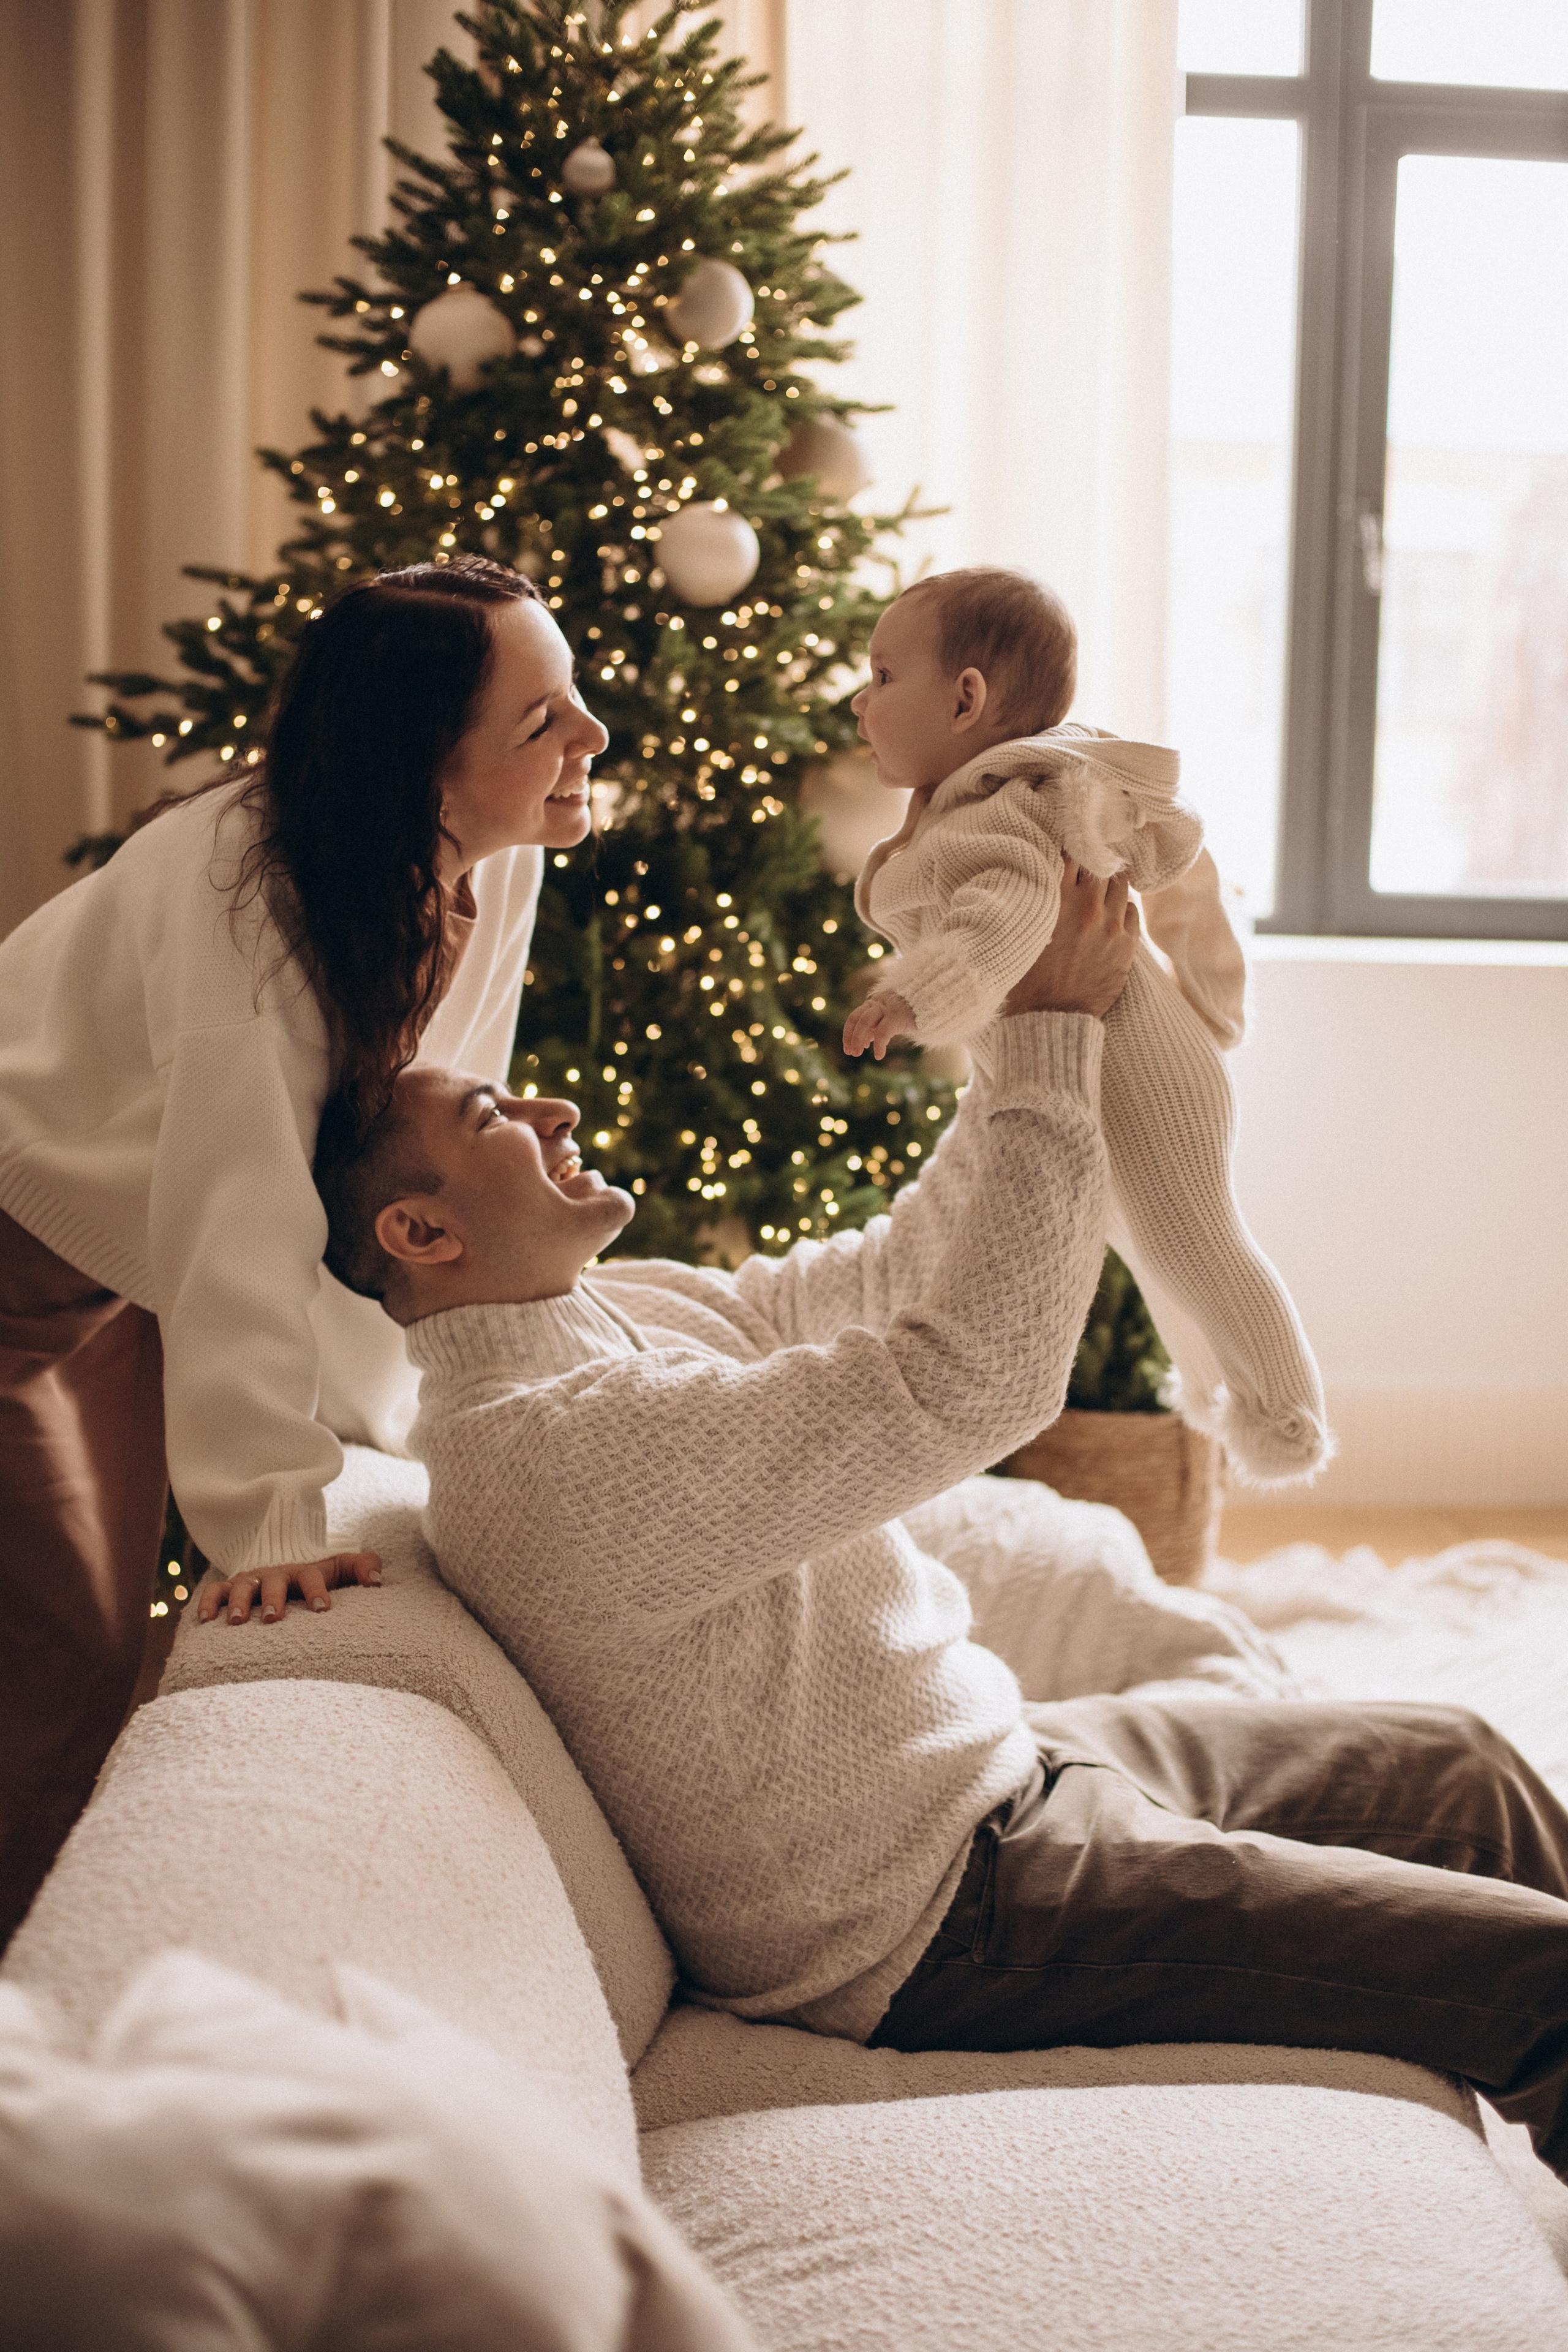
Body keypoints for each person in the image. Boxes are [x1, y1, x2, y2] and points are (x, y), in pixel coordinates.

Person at [235, 873, 1568, 2184]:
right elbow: (975, 1378)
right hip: (946, 1918)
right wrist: (1047, 1038)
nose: (552, 1103)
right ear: (420, 1230)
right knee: (1537, 1982)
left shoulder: (610, 1309)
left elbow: (892, 1273)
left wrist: (1021, 1031)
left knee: (1458, 1763)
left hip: (1005, 1771)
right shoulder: (548, 1455)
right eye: (493, 1116)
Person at [0, 555, 606, 1943]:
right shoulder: (250, 897)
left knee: (85, 1675)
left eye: (574, 699)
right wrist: (272, 1510)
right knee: (60, 1660)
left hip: (108, 1267)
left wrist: (414, 1415)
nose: (590, 740)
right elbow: (240, 1209)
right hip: (21, 1255)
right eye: (542, 721)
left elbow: (425, 1142)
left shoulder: (482, 860)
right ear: (423, 769)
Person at [843, 567, 1329, 1488]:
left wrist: (916, 1000)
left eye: (881, 676)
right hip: (1089, 1071)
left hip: (1142, 1074)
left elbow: (1005, 921)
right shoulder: (989, 804)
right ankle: (1212, 1390)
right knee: (1145, 1249)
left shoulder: (1003, 816)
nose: (861, 702)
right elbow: (1170, 889)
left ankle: (1286, 1413)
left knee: (1194, 1241)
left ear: (966, 699)